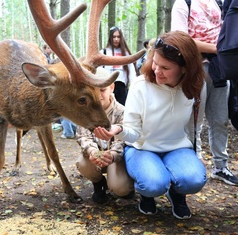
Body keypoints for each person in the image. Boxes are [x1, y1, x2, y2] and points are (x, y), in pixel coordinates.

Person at [94, 31, 207, 219]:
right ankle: (147, 196)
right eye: (154, 62)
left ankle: (177, 194)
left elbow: (195, 125)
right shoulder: (140, 86)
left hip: (177, 147)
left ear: (185, 69)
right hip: (142, 148)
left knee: (195, 179)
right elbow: (133, 132)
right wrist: (118, 130)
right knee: (153, 183)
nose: (156, 70)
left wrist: (199, 154)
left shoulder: (195, 87)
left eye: (165, 67)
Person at [171, 0, 238, 185]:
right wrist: (216, 49)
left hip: (219, 68)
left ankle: (220, 166)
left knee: (220, 119)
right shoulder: (184, 3)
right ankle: (192, 162)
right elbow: (179, 40)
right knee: (194, 121)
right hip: (194, 68)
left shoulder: (218, 2)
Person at [76, 67, 134, 204]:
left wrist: (112, 154)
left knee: (121, 189)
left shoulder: (122, 111)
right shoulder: (84, 111)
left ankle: (122, 184)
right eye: (93, 91)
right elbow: (82, 135)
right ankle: (98, 183)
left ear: (112, 88)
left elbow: (124, 139)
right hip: (95, 155)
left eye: (102, 90)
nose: (98, 95)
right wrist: (93, 152)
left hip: (115, 158)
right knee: (83, 164)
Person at [100, 26, 137, 105]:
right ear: (110, 38)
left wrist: (134, 87)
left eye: (118, 37)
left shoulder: (126, 53)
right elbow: (99, 71)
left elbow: (131, 71)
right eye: (114, 37)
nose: (116, 39)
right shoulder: (104, 52)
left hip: (122, 87)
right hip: (107, 87)